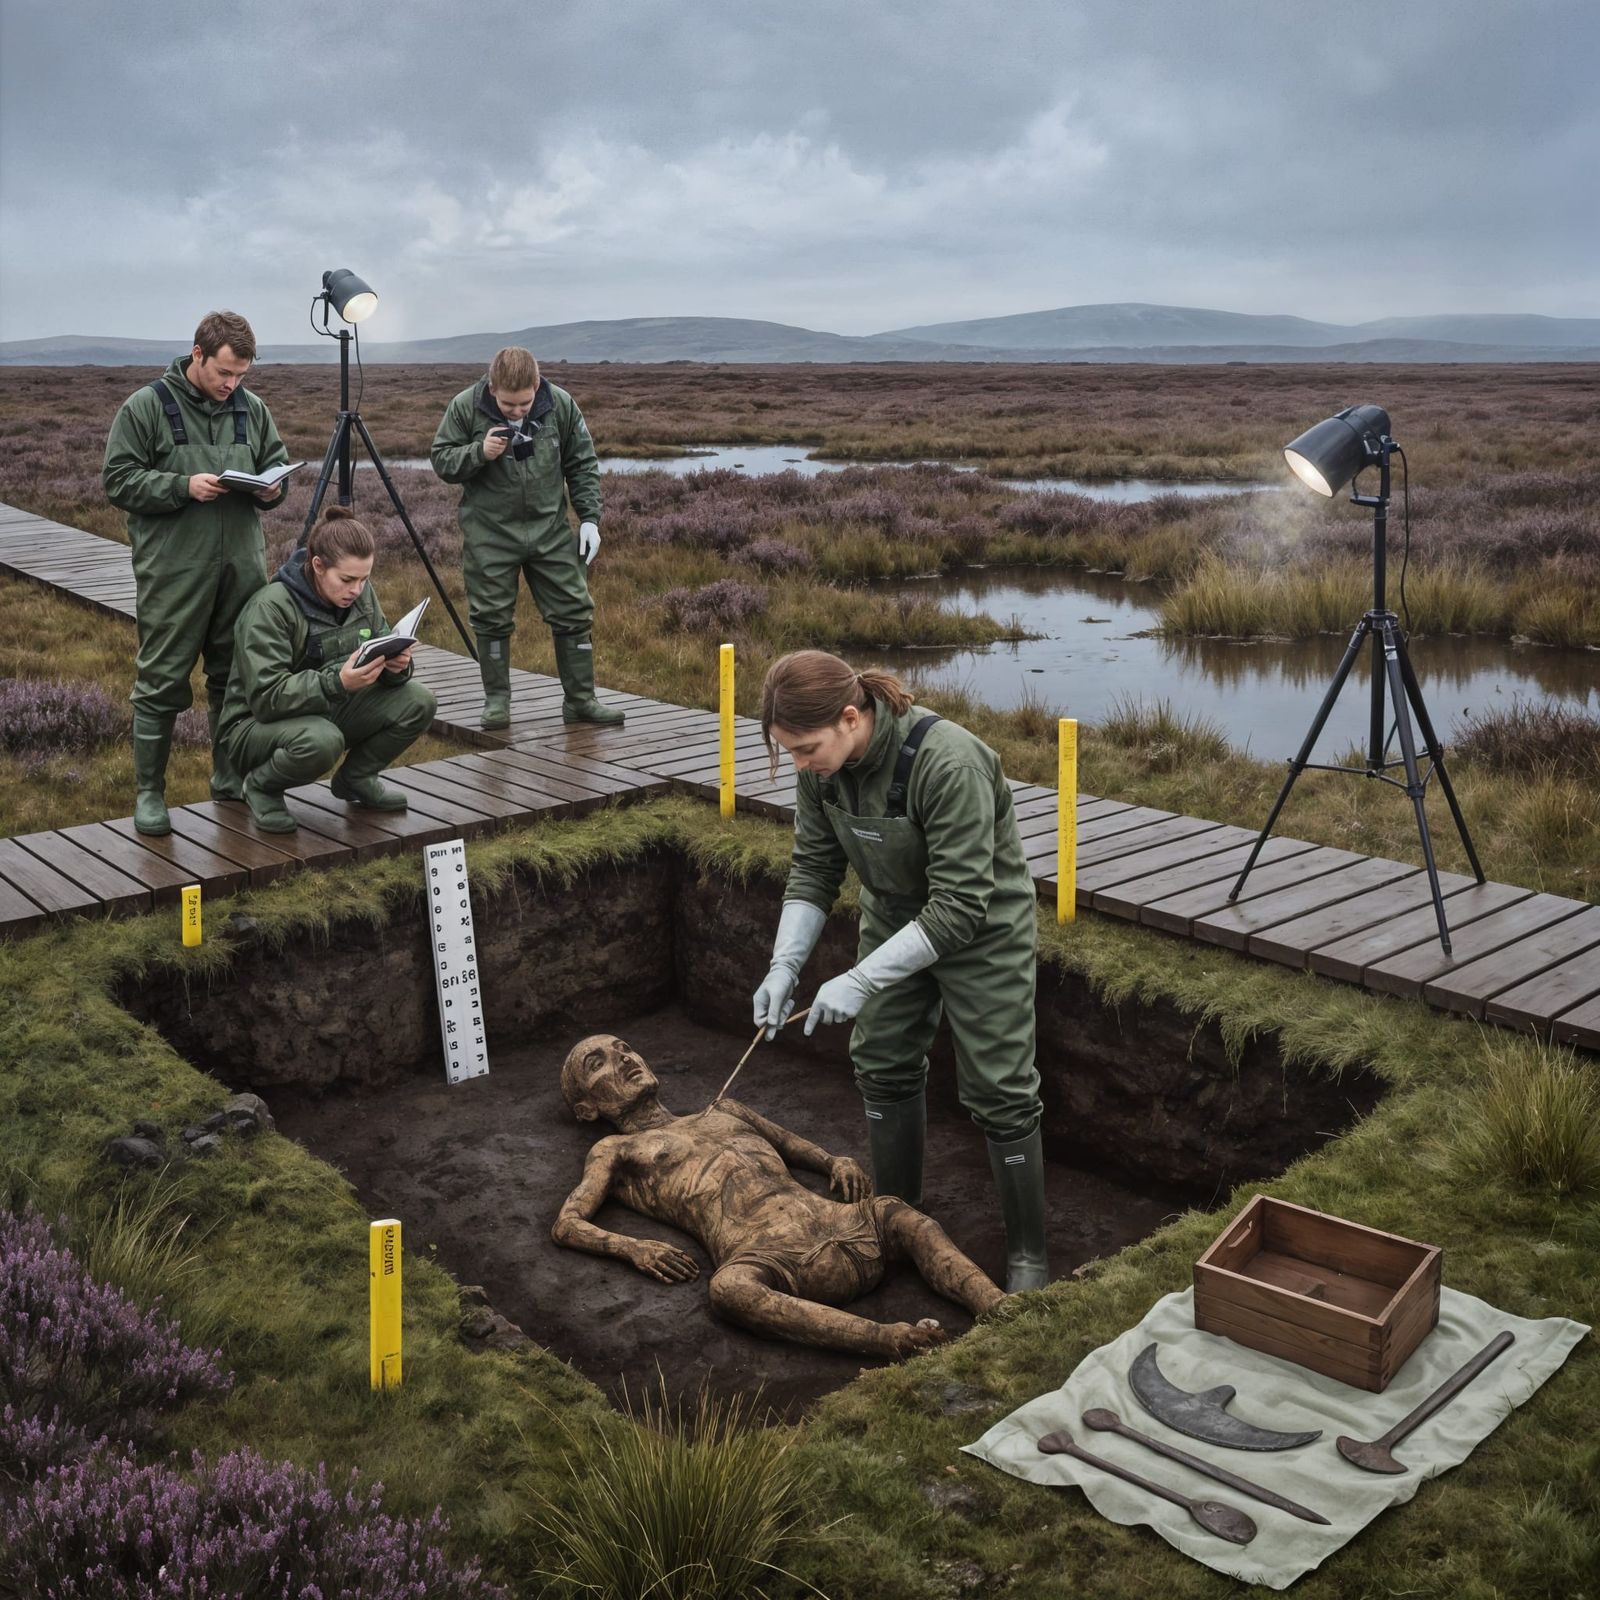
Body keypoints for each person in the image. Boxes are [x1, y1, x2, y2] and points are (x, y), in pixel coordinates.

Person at [752, 649, 1049, 1293]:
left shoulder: (949, 762)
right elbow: (813, 869)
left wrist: (860, 980)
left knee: (1000, 1085)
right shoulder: (822, 772)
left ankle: (1029, 1253)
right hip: (892, 915)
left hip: (981, 926)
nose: (799, 765)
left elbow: (960, 907)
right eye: (790, 752)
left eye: (806, 748)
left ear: (851, 717)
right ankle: (895, 1221)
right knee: (882, 1058)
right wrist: (783, 966)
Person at [553, 1034, 1004, 1358]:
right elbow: (567, 1223)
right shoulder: (616, 1150)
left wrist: (833, 1161)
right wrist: (634, 1248)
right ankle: (888, 1340)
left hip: (841, 1222)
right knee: (728, 1289)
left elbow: (789, 1143)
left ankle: (997, 1305)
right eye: (599, 1063)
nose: (624, 1059)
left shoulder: (723, 1109)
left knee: (896, 1213)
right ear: (587, 1110)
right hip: (770, 1257)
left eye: (625, 1048)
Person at [102, 310, 290, 835]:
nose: (232, 386)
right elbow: (118, 481)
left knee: (235, 679)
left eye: (241, 376)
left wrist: (275, 489)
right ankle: (149, 795)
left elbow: (277, 461)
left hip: (244, 570)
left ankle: (230, 783)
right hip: (174, 570)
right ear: (198, 354)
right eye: (224, 373)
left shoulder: (252, 409)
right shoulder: (145, 407)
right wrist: (182, 487)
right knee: (161, 681)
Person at [429, 346, 622, 731]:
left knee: (573, 610)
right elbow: (441, 460)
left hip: (550, 531)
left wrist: (589, 519)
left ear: (537, 385)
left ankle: (582, 700)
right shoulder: (465, 407)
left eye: (524, 403)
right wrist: (478, 452)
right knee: (491, 617)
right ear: (491, 386)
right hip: (490, 533)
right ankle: (497, 702)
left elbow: (582, 463)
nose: (516, 411)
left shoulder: (562, 406)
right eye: (507, 404)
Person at [214, 507, 437, 833]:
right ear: (318, 566)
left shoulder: (359, 596)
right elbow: (266, 698)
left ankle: (355, 778)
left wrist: (396, 667)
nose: (357, 590)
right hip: (253, 727)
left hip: (326, 707)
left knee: (419, 701)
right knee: (322, 740)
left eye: (365, 579)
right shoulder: (271, 608)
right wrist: (338, 682)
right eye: (347, 579)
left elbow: (379, 647)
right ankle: (262, 786)